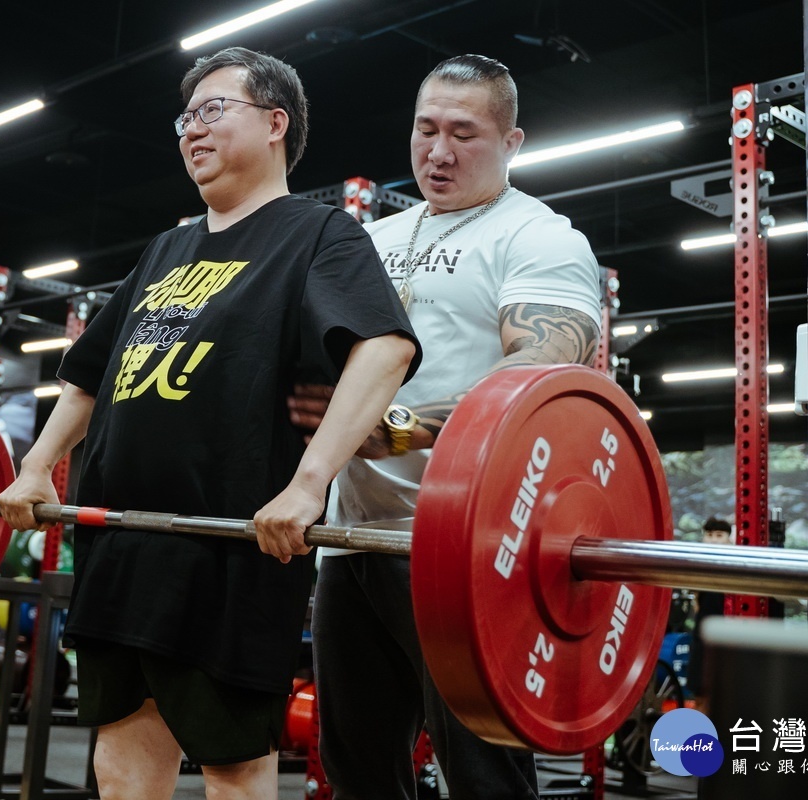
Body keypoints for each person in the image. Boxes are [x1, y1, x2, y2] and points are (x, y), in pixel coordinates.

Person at [0, 47, 419, 800]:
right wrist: (36, 468)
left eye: (213, 110)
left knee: (231, 760)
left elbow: (384, 349)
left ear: (275, 123)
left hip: (228, 544)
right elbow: (90, 377)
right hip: (122, 540)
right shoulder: (167, 247)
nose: (191, 129)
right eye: (184, 117)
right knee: (122, 752)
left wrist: (309, 484)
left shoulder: (317, 235)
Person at [291, 54, 602, 799]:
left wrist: (396, 428)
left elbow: (542, 372)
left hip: (465, 545)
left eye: (464, 132)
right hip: (353, 539)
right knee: (356, 765)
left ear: (513, 141)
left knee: (481, 775)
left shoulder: (540, 237)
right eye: (426, 129)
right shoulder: (372, 239)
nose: (438, 150)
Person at [687, 515, 733, 713]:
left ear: (728, 538)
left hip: (728, 635)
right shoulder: (698, 562)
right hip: (703, 633)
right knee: (700, 688)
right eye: (710, 535)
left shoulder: (735, 563)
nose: (714, 539)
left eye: (719, 535)